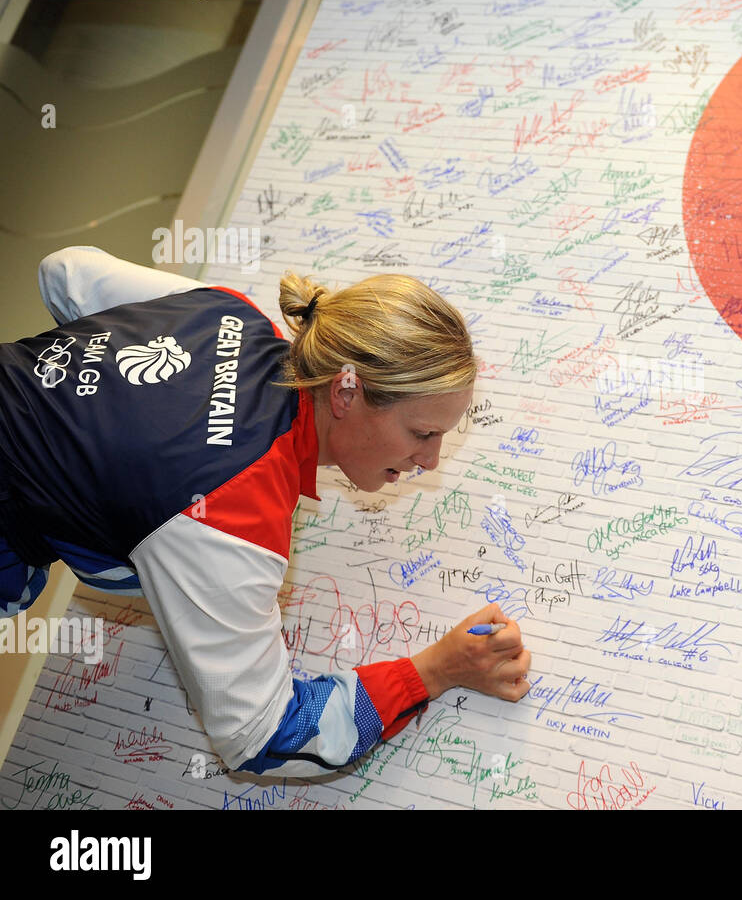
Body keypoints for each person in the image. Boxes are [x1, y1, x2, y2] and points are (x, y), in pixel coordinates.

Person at [0, 245, 531, 778]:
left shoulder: (226, 311)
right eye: (422, 433)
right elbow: (266, 736)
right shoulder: (234, 512)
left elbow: (64, 270)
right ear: (346, 393)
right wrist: (434, 671)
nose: (430, 459)